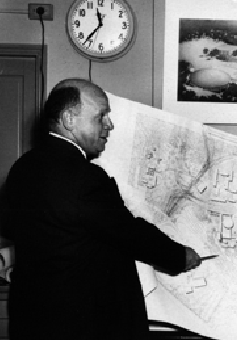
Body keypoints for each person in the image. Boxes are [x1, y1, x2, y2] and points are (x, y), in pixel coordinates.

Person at [4, 78, 202, 340]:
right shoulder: (85, 177)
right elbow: (129, 232)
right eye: (101, 116)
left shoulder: (21, 169)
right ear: (69, 120)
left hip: (31, 322)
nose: (109, 124)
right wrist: (179, 256)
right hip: (83, 326)